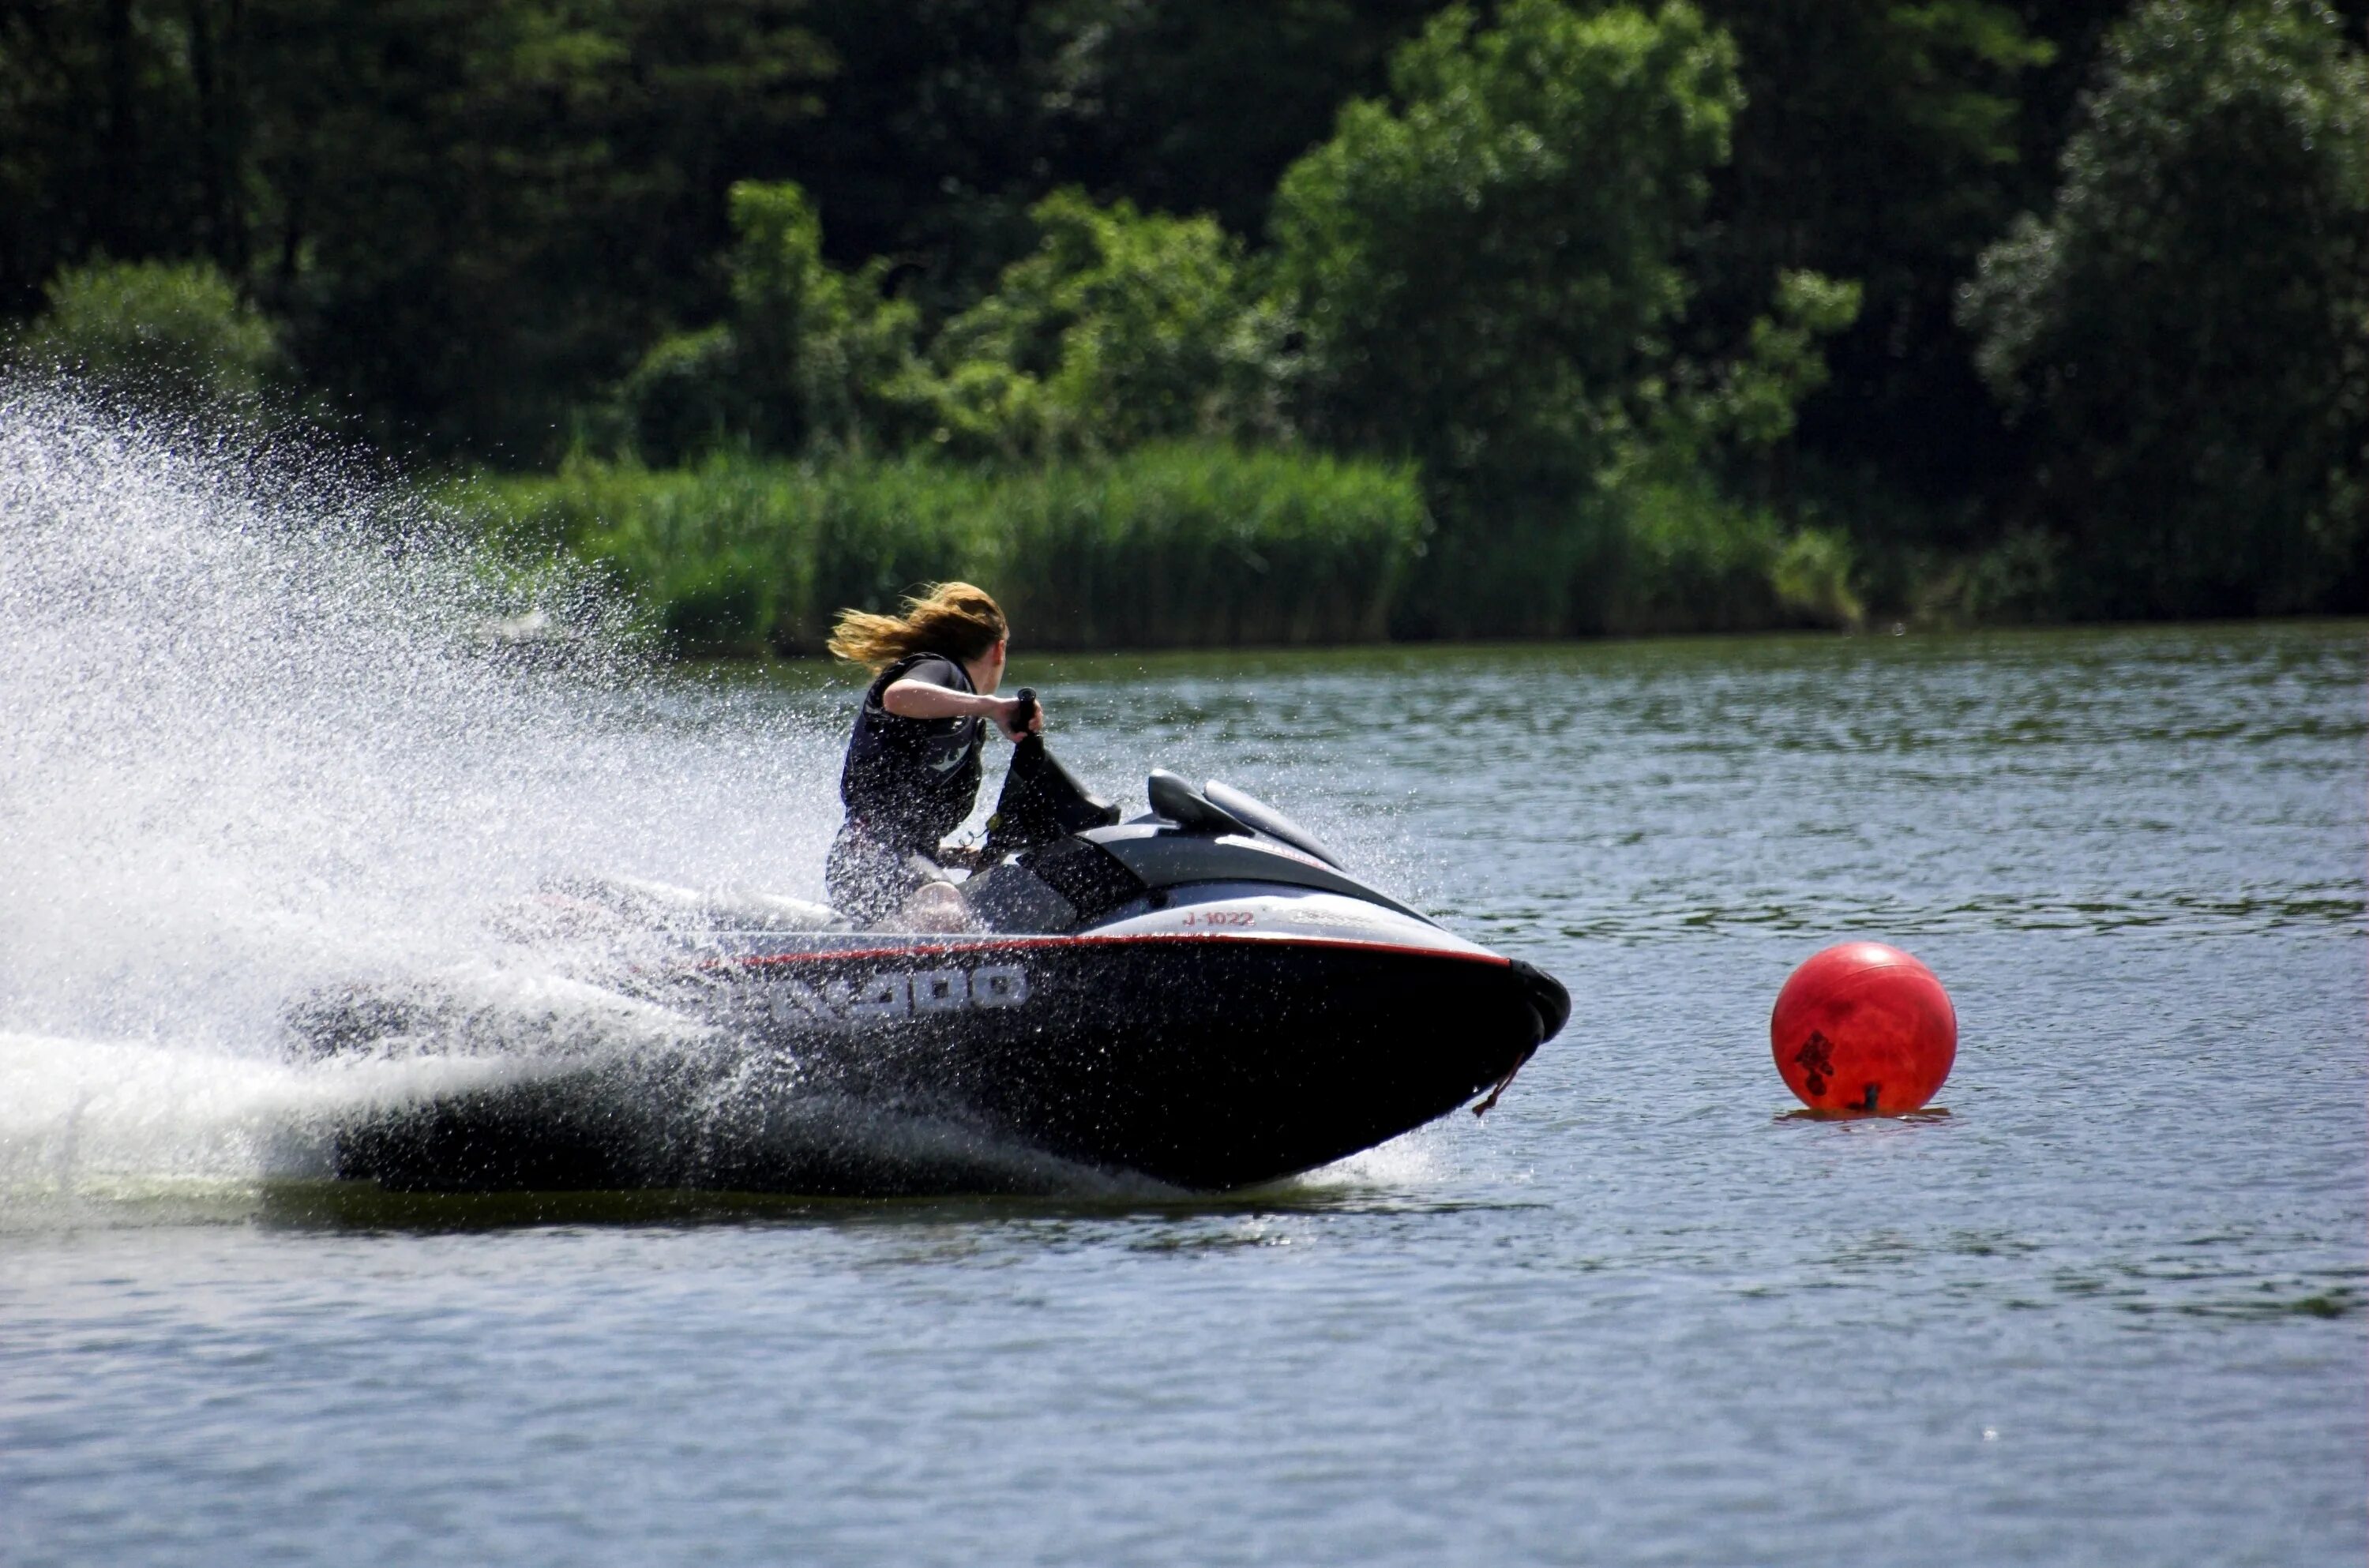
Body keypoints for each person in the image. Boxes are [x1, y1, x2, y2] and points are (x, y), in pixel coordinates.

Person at [823, 582, 1042, 929]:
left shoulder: (958, 715)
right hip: (868, 857)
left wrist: (952, 856)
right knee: (945, 910)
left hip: (874, 862)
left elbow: (905, 829)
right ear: (999, 651)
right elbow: (898, 695)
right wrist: (991, 706)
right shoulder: (943, 670)